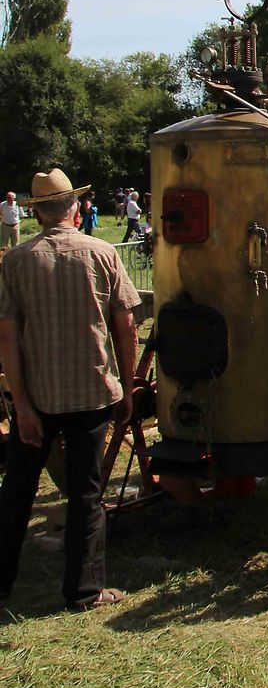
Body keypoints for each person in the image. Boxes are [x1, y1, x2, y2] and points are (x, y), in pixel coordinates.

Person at [0, 168, 140, 609]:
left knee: (17, 491)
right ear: (75, 208)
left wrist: (20, 404)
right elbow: (128, 326)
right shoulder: (101, 253)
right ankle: (84, 591)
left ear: (37, 213)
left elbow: (6, 337)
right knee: (86, 493)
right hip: (91, 393)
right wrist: (129, 389)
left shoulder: (16, 261)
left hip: (35, 397)